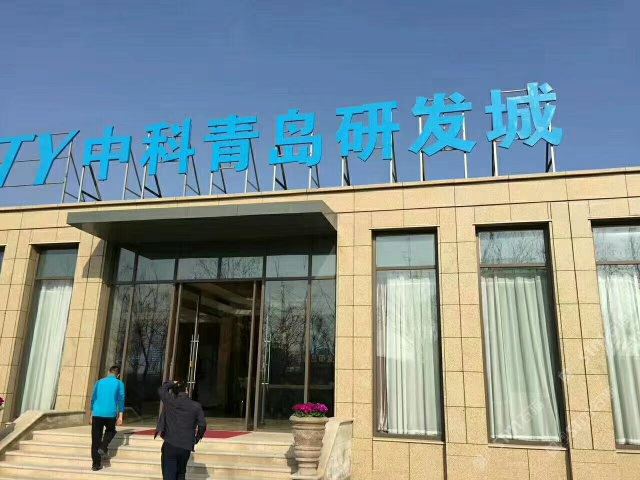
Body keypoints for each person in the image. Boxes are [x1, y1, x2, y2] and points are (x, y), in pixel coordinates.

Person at [156, 380, 207, 480]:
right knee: (181, 472)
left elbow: (161, 389)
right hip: (185, 445)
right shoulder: (195, 406)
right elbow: (202, 425)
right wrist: (197, 438)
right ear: (186, 390)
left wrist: (171, 382)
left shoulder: (170, 400)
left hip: (170, 443)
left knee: (169, 473)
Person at [89, 365, 125, 471]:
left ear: (108, 372)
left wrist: (91, 415)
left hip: (97, 413)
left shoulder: (99, 382)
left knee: (96, 439)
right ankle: (103, 446)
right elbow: (121, 400)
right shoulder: (119, 383)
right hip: (110, 413)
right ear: (118, 375)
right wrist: (120, 416)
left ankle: (96, 465)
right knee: (111, 431)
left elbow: (93, 399)